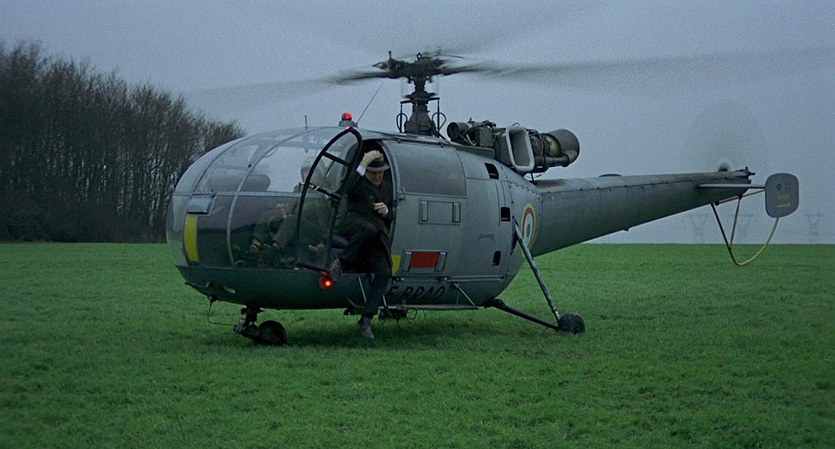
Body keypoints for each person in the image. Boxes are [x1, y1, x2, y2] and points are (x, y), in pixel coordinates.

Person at [329, 149, 393, 340]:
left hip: (375, 236)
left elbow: (392, 216)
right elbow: (346, 188)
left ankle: (367, 318)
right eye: (373, 173)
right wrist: (363, 163)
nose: (377, 176)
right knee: (368, 229)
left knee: (384, 272)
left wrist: (386, 211)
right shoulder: (358, 183)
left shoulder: (387, 188)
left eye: (380, 173)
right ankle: (341, 262)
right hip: (356, 226)